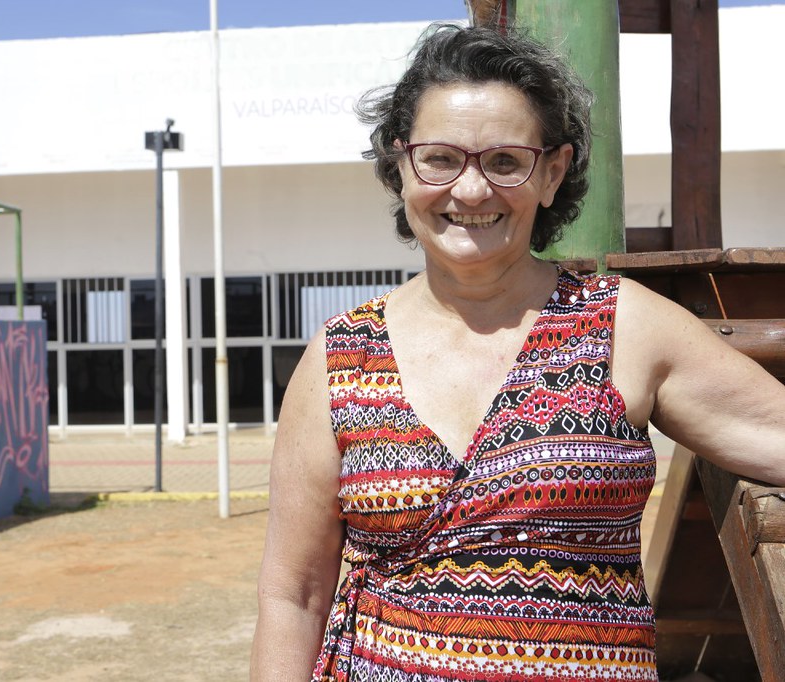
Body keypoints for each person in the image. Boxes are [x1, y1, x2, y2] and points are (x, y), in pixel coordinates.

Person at [250, 23, 785, 682]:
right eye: (440, 158)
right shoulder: (340, 357)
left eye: (504, 161)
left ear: (551, 173)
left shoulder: (623, 328)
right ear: (400, 166)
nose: (470, 191)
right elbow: (292, 597)